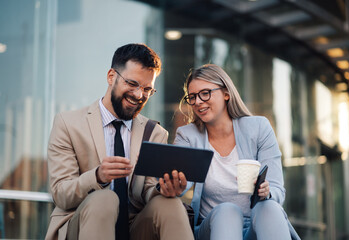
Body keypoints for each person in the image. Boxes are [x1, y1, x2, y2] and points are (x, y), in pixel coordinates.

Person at [45, 43, 193, 240]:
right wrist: (97, 176)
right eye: (132, 84)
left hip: (135, 229)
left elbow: (148, 191)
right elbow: (61, 194)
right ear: (111, 76)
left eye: (147, 89)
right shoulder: (68, 124)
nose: (139, 95)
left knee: (171, 204)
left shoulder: (155, 133)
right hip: (80, 226)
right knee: (104, 199)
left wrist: (162, 189)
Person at [174, 64, 300, 240]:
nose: (198, 102)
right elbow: (181, 180)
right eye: (192, 97)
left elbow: (278, 189)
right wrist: (176, 184)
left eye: (205, 93)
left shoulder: (259, 127)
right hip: (214, 226)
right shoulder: (188, 135)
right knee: (228, 211)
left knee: (269, 207)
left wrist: (267, 192)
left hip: (256, 226)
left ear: (226, 93)